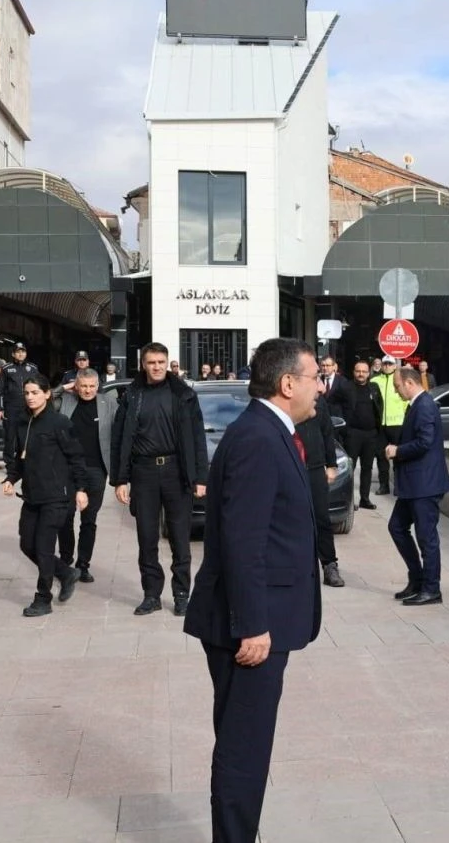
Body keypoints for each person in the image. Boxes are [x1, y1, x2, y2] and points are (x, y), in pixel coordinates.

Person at [182, 337, 322, 843]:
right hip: (248, 628)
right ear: (288, 384)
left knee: (246, 743)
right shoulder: (259, 438)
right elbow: (243, 542)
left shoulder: (270, 431)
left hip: (258, 619)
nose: (321, 388)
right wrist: (254, 624)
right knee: (244, 749)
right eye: (315, 378)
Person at [111, 342, 209, 617]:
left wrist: (200, 477)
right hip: (143, 474)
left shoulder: (183, 395)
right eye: (151, 362)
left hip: (176, 472)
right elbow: (119, 438)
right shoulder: (132, 395)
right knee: (147, 538)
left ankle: (181, 595)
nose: (156, 367)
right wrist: (120, 480)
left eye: (160, 363)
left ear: (168, 363)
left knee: (180, 537)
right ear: (143, 364)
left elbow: (197, 438)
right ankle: (151, 595)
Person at [0, 374, 89, 617]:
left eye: (35, 393)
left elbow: (76, 458)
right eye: (27, 393)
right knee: (27, 544)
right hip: (31, 497)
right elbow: (20, 458)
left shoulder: (59, 423)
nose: (30, 397)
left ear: (47, 394)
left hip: (57, 496)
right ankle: (65, 572)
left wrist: (80, 489)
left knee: (43, 547)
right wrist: (10, 479)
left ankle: (43, 598)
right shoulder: (21, 423)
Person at [386, 366, 449, 605]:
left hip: (425, 485)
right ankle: (417, 579)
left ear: (409, 383)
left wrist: (398, 451)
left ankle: (431, 588)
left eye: (397, 387)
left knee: (426, 538)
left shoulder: (424, 405)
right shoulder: (417, 404)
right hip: (413, 485)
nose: (396, 391)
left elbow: (424, 442)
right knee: (396, 527)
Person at [57, 369, 117, 584]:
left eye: (92, 386)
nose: (88, 390)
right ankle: (65, 562)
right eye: (83, 386)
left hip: (95, 470)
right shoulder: (66, 400)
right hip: (68, 469)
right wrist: (63, 387)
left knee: (89, 520)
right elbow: (44, 397)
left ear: (98, 386)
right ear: (76, 385)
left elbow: (120, 428)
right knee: (65, 518)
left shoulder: (108, 403)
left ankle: (83, 565)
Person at [296, 375, 343, 587]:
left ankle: (329, 565)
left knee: (322, 519)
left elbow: (327, 433)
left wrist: (331, 465)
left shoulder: (319, 401)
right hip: (291, 467)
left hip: (315, 468)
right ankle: (299, 566)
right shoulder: (289, 400)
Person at [343, 360, 384, 510]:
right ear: (354, 372)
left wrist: (378, 430)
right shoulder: (346, 387)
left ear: (369, 373)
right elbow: (337, 406)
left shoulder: (374, 387)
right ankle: (348, 501)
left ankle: (365, 499)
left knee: (367, 468)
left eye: (364, 371)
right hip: (353, 434)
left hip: (371, 434)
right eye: (358, 371)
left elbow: (380, 407)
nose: (361, 374)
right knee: (349, 469)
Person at [370, 356, 408, 496]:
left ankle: (399, 486)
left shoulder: (399, 381)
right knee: (381, 457)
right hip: (381, 425)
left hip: (397, 424)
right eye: (384, 363)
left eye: (389, 364)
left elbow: (406, 401)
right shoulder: (374, 380)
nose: (386, 366)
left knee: (399, 457)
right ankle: (383, 485)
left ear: (394, 366)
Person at [2, 343, 38, 464]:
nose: (21, 354)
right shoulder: (6, 368)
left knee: (27, 433)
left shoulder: (33, 368)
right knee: (10, 435)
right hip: (11, 406)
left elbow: (39, 388)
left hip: (28, 406)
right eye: (18, 352)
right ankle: (9, 462)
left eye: (23, 351)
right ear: (13, 354)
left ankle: (25, 459)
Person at [319, 355, 351, 420]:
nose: (325, 368)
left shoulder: (342, 381)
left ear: (334, 367)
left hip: (338, 419)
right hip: (322, 419)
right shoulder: (318, 381)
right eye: (323, 365)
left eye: (328, 365)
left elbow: (347, 403)